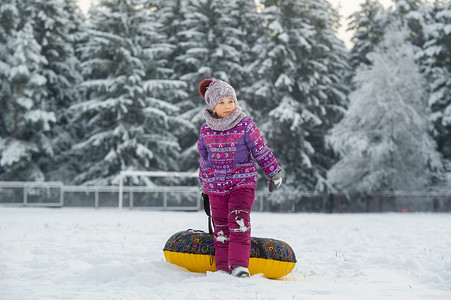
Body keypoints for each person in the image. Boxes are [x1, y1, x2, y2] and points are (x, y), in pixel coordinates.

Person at [197, 78, 282, 278]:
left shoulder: (245, 124)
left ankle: (239, 266)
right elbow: (204, 158)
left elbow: (260, 149)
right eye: (222, 103)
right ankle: (223, 269)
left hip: (241, 183)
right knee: (221, 228)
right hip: (216, 186)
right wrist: (205, 184)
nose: (228, 106)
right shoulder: (206, 130)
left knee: (239, 220)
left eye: (231, 101)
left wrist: (273, 172)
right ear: (212, 106)